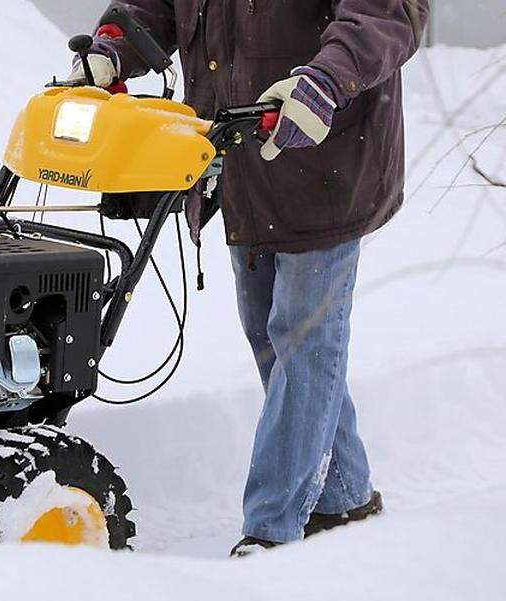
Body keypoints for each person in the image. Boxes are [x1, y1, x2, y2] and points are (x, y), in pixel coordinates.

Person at [71, 0, 429, 556]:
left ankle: (273, 529)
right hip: (242, 160)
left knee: (304, 344)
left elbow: (384, 12)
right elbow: (156, 9)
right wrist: (113, 47)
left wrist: (325, 79)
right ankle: (344, 496)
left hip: (325, 162)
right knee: (273, 337)